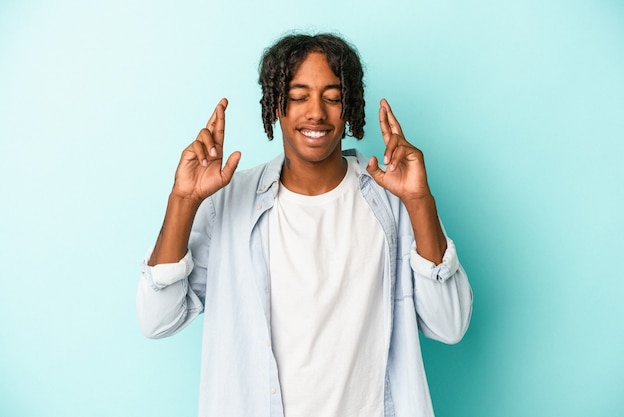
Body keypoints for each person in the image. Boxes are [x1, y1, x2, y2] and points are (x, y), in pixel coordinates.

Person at [137, 33, 472, 417]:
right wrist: (183, 201)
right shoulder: (229, 202)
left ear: (349, 107)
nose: (316, 112)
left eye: (332, 96)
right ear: (275, 104)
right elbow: (156, 320)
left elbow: (450, 325)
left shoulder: (394, 201)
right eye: (298, 96)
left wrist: (419, 201)